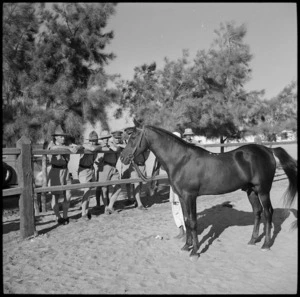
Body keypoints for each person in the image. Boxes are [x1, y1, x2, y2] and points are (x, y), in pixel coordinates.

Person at [47, 125, 80, 225]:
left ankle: (65, 217)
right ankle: (58, 217)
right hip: (55, 171)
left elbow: (78, 146)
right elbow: (53, 148)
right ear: (56, 137)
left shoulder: (67, 144)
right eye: (61, 136)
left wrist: (76, 147)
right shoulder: (51, 144)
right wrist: (68, 148)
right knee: (55, 196)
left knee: (68, 194)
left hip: (66, 170)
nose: (63, 138)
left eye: (64, 136)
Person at [95, 130, 124, 213]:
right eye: (104, 138)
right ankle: (105, 207)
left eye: (107, 138)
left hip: (114, 167)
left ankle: (110, 206)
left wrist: (118, 145)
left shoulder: (116, 144)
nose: (106, 140)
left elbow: (121, 147)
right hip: (105, 167)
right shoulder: (102, 145)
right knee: (104, 188)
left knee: (118, 187)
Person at [121, 125, 149, 210]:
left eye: (131, 133)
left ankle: (136, 200)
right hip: (133, 165)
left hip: (141, 165)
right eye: (128, 133)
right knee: (134, 183)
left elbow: (147, 153)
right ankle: (138, 203)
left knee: (139, 184)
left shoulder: (140, 143)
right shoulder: (127, 143)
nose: (129, 135)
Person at [77, 131, 103, 220]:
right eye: (91, 140)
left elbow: (98, 147)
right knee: (86, 191)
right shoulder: (85, 145)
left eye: (94, 140)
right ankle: (83, 213)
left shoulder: (97, 145)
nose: (92, 142)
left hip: (91, 169)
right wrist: (98, 146)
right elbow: (91, 149)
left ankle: (86, 210)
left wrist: (99, 146)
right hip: (83, 170)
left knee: (89, 192)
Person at [170, 131, 186, 238]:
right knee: (175, 205)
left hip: (182, 182)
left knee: (182, 206)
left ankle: (185, 231)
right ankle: (181, 230)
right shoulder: (170, 152)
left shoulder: (183, 153)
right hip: (173, 182)